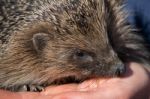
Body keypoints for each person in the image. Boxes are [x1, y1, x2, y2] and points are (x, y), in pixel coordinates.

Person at [0, 0, 150, 99]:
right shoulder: (14, 66)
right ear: (41, 45)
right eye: (80, 54)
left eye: (108, 38)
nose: (118, 65)